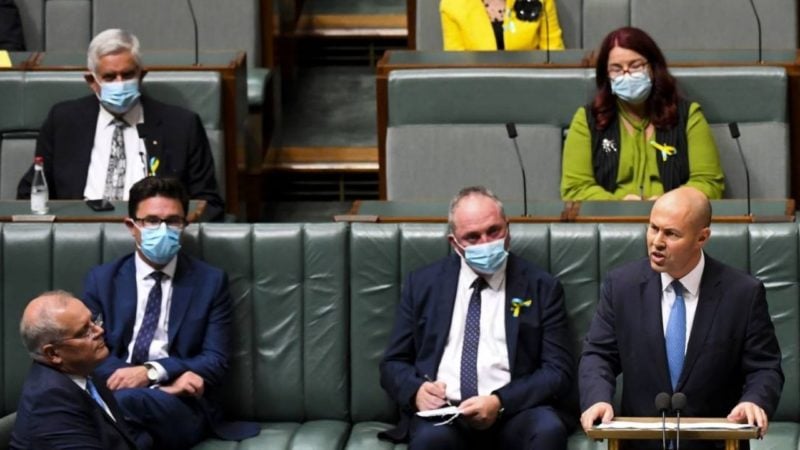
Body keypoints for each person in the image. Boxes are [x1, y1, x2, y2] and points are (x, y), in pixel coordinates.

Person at [579, 187, 784, 449]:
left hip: (715, 445)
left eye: (671, 234)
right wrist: (597, 398)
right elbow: (598, 355)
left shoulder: (742, 293)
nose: (657, 241)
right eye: (653, 228)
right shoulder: (621, 286)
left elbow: (764, 367)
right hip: (641, 444)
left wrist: (754, 401)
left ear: (702, 237)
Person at [380, 186, 575, 449]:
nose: (486, 243)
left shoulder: (542, 287)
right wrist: (416, 392)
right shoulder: (423, 284)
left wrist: (499, 401)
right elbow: (393, 363)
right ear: (455, 243)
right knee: (430, 442)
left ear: (508, 229)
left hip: (514, 411)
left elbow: (557, 371)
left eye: (494, 231)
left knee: (547, 430)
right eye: (472, 237)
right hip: (445, 414)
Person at [81, 177, 257, 449]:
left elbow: (215, 360)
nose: (163, 230)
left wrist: (151, 373)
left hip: (180, 403)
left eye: (173, 221)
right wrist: (141, 380)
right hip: (122, 391)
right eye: (152, 221)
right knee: (133, 431)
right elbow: (88, 353)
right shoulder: (102, 280)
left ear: (184, 225)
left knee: (113, 405)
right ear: (132, 226)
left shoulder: (210, 282)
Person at [16, 28, 224, 221]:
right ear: (92, 81)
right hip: (79, 231)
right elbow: (31, 192)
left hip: (153, 234)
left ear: (141, 75)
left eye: (127, 75)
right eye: (109, 77)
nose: (120, 83)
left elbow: (208, 204)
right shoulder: (64, 121)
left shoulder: (181, 126)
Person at [561, 27, 724, 201]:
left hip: (675, 215)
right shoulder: (587, 119)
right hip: (610, 216)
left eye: (635, 66)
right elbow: (575, 189)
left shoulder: (688, 115)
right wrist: (619, 205)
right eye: (616, 69)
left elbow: (709, 183)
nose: (627, 75)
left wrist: (668, 204)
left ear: (653, 68)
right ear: (606, 75)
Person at [11, 291, 149, 450]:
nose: (99, 331)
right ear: (53, 353)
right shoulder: (51, 401)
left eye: (94, 321)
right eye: (85, 332)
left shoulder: (84, 372)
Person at [440, 0, 564, 51]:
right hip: (476, 89)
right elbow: (456, 64)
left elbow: (554, 52)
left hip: (531, 86)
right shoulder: (452, 5)